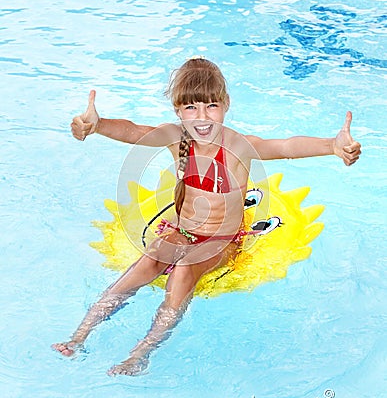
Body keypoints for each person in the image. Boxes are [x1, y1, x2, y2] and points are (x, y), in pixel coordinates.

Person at [52, 57, 361, 376]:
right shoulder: (177, 140)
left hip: (222, 241)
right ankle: (78, 336)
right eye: (190, 108)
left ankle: (140, 354)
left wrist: (332, 145)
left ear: (226, 105)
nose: (201, 117)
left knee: (183, 270)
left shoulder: (240, 148)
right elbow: (134, 131)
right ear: (177, 111)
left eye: (211, 106)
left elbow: (284, 146)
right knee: (147, 261)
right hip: (182, 230)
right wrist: (98, 124)